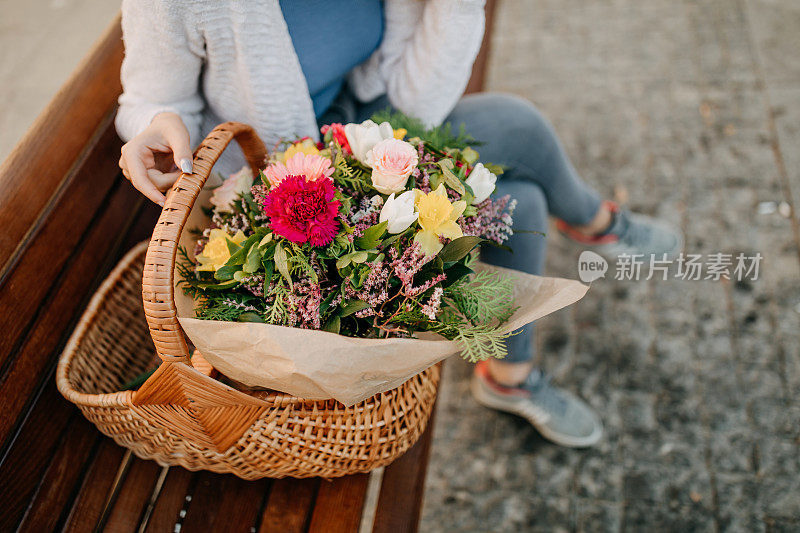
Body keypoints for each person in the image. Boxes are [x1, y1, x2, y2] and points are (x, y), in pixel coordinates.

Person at [116, 0, 682, 448]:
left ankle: (521, 354)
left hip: (358, 133)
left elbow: (414, 92)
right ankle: (590, 232)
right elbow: (149, 99)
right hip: (278, 190)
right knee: (522, 199)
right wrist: (155, 125)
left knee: (517, 147)